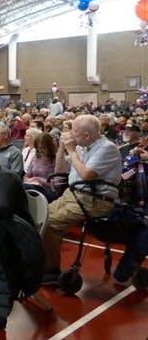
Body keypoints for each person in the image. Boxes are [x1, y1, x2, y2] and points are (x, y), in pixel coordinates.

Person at [42, 114, 121, 284]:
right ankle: (43, 262)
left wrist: (71, 150)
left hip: (95, 200)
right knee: (39, 219)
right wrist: (63, 148)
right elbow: (61, 168)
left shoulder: (107, 148)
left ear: (87, 135)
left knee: (50, 224)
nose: (71, 135)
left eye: (75, 132)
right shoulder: (82, 147)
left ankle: (51, 271)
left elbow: (86, 174)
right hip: (72, 195)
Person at [23, 133, 57, 201]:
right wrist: (28, 180)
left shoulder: (56, 160)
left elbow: (56, 184)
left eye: (42, 148)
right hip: (33, 187)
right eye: (37, 148)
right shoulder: (35, 158)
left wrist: (38, 179)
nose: (40, 150)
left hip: (48, 190)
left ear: (49, 146)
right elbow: (26, 176)